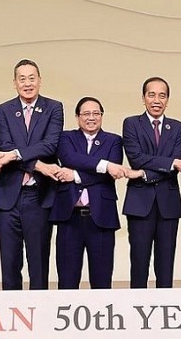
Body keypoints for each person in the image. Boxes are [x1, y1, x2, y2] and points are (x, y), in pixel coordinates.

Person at [50, 97, 138, 289]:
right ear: (77, 117)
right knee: (67, 279)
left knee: (102, 280)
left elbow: (108, 176)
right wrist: (104, 165)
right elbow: (69, 157)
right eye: (86, 114)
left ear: (101, 116)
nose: (91, 118)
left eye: (96, 113)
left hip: (101, 218)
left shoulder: (114, 141)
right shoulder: (66, 138)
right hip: (69, 217)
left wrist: (75, 175)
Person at [0, 59, 64, 290]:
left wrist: (17, 155)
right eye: (21, 79)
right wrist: (38, 165)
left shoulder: (54, 107)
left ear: (40, 80)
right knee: (10, 263)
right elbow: (4, 144)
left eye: (31, 78)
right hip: (8, 197)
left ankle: (39, 316)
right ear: (14, 83)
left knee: (38, 263)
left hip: (38, 196)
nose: (27, 83)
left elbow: (50, 145)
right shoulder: (3, 110)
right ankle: (13, 317)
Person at [122, 77, 181, 288]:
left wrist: (145, 173)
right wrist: (172, 163)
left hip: (168, 203)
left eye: (162, 95)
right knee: (139, 263)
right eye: (151, 95)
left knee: (165, 265)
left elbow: (177, 160)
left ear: (168, 100)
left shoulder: (178, 127)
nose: (157, 100)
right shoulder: (132, 123)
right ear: (143, 98)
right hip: (139, 203)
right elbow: (136, 158)